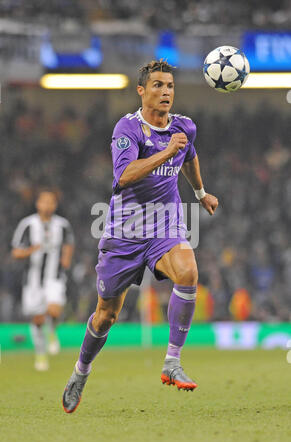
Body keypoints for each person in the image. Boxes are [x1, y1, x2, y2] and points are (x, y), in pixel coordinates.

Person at [62, 59, 218, 413]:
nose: (166, 92)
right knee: (106, 315)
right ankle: (81, 371)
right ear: (142, 90)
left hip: (166, 223)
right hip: (125, 230)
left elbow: (189, 156)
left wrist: (200, 193)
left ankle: (172, 362)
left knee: (189, 272)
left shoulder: (184, 127)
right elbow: (124, 176)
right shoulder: (127, 128)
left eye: (171, 86)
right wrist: (166, 151)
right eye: (159, 85)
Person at [11, 189, 75, 371]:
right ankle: (40, 354)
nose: (47, 206)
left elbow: (69, 243)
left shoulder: (62, 225)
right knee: (38, 320)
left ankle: (53, 331)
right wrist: (30, 251)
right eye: (44, 201)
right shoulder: (27, 224)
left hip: (54, 276)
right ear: (38, 204)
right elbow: (15, 251)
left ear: (55, 205)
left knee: (54, 310)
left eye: (51, 202)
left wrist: (66, 259)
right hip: (32, 280)